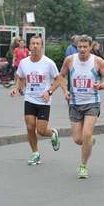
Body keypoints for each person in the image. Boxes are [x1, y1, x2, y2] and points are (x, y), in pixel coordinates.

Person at [52, 34, 104, 179]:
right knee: (78, 139)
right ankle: (89, 142)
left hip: (92, 102)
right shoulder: (70, 60)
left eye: (85, 47)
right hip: (75, 103)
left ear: (90, 47)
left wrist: (101, 86)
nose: (82, 50)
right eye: (80, 47)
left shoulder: (97, 61)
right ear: (76, 47)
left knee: (86, 134)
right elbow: (60, 76)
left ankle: (83, 166)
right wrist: (65, 90)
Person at [8, 35, 61, 165]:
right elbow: (20, 77)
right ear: (29, 46)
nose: (35, 46)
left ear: (42, 47)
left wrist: (49, 92)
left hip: (44, 100)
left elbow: (58, 80)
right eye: (33, 43)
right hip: (30, 99)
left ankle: (52, 134)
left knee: (41, 131)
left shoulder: (48, 63)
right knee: (30, 127)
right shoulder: (24, 63)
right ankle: (35, 154)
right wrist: (16, 88)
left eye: (38, 44)